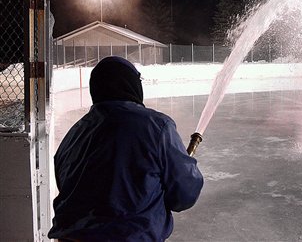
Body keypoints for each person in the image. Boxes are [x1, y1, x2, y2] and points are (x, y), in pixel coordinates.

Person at [48, 56, 203, 241]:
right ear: (133, 85)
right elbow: (184, 195)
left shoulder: (74, 134)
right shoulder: (157, 127)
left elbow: (66, 185)